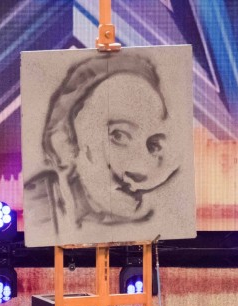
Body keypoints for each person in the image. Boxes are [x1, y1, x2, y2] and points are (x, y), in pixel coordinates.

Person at [24, 51, 181, 241]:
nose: (142, 169)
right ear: (65, 142)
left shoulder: (148, 225)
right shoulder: (36, 210)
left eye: (153, 145)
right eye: (118, 136)